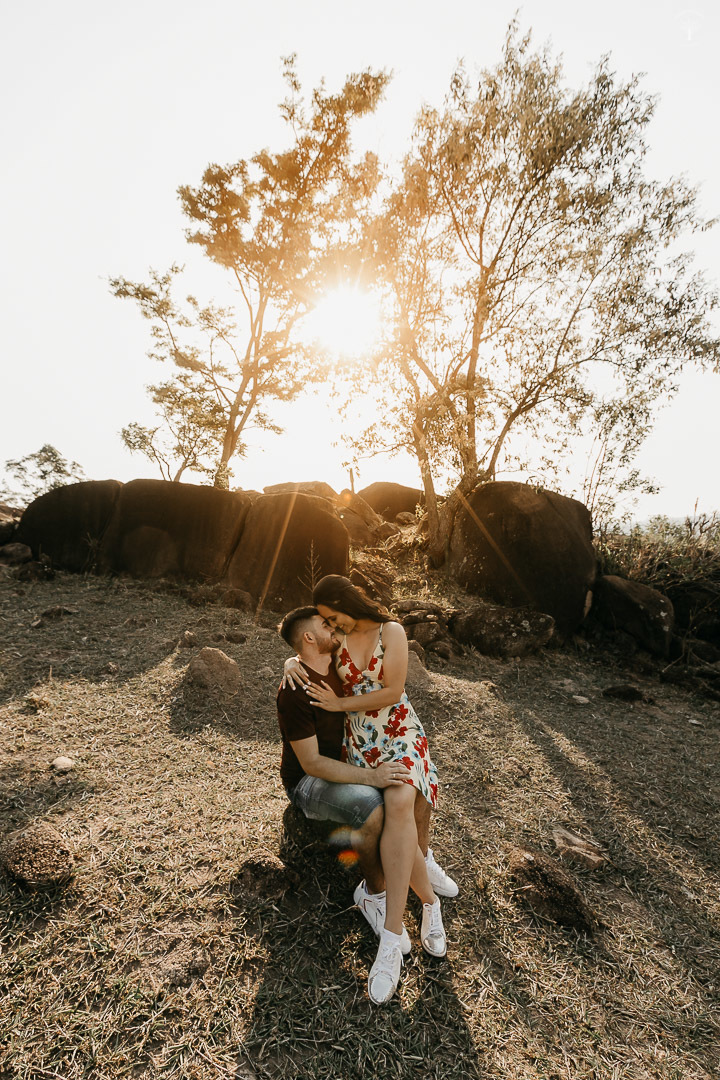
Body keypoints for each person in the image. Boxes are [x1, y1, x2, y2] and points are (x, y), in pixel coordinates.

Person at [282, 577, 455, 1004]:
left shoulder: (391, 631)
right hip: (361, 741)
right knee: (390, 808)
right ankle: (427, 904)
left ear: (343, 604)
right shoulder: (335, 640)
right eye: (323, 620)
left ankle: (391, 938)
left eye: (330, 615)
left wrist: (339, 705)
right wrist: (290, 662)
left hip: (396, 729)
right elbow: (309, 651)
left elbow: (392, 689)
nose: (328, 623)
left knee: (400, 800)